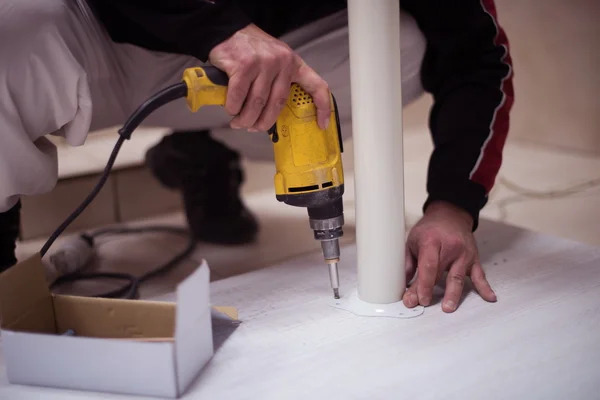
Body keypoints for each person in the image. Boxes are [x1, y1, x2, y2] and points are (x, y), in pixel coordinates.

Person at [0, 0, 513, 313]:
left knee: (398, 38)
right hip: (112, 30)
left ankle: (205, 148)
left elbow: (480, 59)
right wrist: (215, 26)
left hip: (278, 50)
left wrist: (451, 204)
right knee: (13, 22)